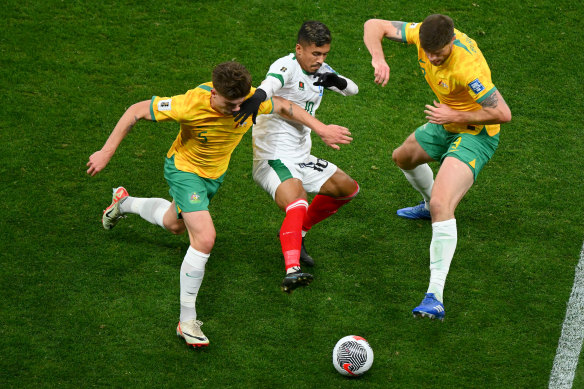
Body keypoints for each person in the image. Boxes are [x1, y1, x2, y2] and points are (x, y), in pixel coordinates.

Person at [86, 61, 352, 347]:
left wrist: (321, 128)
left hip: (212, 178)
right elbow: (136, 111)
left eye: (240, 104)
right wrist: (105, 151)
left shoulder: (249, 101)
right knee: (204, 238)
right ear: (214, 92)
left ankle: (123, 202)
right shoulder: (189, 104)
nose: (237, 111)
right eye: (230, 105)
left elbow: (285, 106)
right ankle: (186, 321)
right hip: (184, 170)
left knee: (172, 224)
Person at [363, 15, 511, 320]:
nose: (432, 58)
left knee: (445, 203)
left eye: (439, 54)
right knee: (402, 157)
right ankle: (429, 205)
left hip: (475, 132)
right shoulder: (421, 34)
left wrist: (454, 115)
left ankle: (435, 295)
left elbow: (502, 113)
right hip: (448, 120)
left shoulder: (467, 69)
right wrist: (379, 59)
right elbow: (373, 25)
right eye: (428, 53)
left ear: (452, 42)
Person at [234, 21, 359, 293]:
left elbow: (353, 90)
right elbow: (270, 84)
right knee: (298, 199)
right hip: (274, 158)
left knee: (347, 189)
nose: (321, 60)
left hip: (301, 156)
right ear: (299, 48)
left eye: (325, 54)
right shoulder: (287, 66)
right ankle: (292, 268)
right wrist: (258, 97)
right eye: (316, 54)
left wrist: (336, 80)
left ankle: (298, 233)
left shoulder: (321, 70)